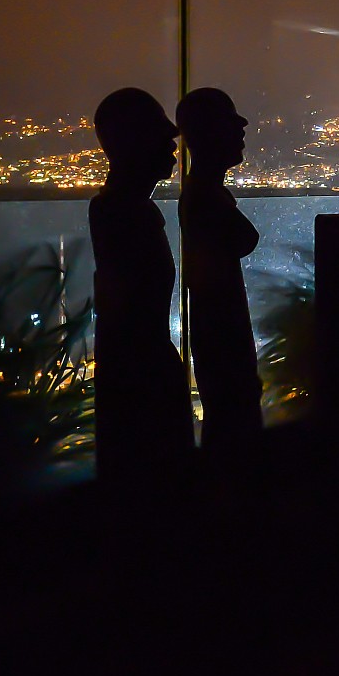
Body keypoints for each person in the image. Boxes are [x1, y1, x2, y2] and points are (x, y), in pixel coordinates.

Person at [88, 87, 193, 484]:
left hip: (142, 373)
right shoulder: (122, 213)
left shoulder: (126, 209)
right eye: (161, 139)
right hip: (141, 379)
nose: (171, 148)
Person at [177, 87, 264, 453]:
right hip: (223, 337)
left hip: (219, 335)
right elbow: (245, 238)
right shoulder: (205, 197)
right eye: (230, 119)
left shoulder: (203, 194)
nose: (242, 125)